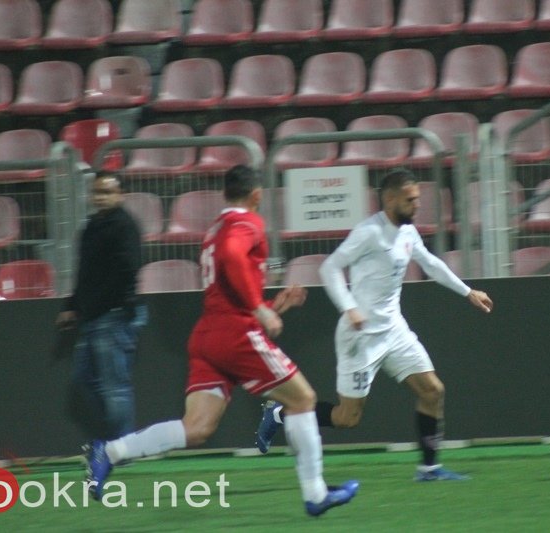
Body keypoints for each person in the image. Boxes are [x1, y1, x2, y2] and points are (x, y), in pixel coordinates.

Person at [84, 165, 359, 517]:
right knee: (303, 399)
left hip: (208, 335)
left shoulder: (215, 228)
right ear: (257, 195)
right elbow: (232, 256)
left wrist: (276, 306)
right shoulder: (246, 223)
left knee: (196, 428)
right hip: (234, 335)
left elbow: (226, 289)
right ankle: (316, 494)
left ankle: (110, 452)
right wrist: (261, 309)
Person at [255, 168, 493, 481]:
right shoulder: (369, 232)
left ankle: (429, 469)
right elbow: (329, 268)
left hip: (394, 329)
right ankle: (279, 413)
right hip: (360, 337)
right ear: (390, 198)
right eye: (411, 199)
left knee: (433, 390)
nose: (417, 204)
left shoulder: (407, 231)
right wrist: (350, 308)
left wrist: (468, 292)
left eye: (418, 198)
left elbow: (430, 263)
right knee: (346, 418)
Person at [57, 173, 147, 443]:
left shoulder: (124, 226)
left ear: (120, 195)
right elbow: (84, 272)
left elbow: (128, 270)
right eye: (97, 192)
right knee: (86, 379)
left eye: (107, 192)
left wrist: (102, 305)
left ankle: (122, 449)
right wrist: (72, 305)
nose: (100, 197)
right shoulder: (91, 226)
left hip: (114, 315)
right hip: (93, 317)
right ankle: (112, 440)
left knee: (114, 387)